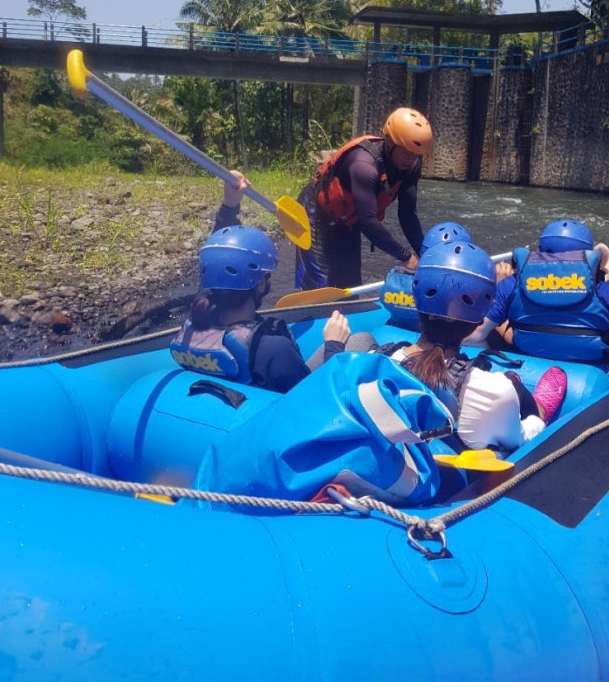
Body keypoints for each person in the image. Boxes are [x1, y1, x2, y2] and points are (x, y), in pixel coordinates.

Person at [350, 239, 570, 455]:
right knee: (523, 409)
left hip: (386, 477)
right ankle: (540, 407)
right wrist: (535, 419)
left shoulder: (369, 363)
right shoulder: (493, 391)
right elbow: (521, 439)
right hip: (452, 474)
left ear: (416, 302)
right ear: (478, 320)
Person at [171, 173, 350, 393]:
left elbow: (219, 257)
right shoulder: (273, 349)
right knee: (361, 340)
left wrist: (230, 205)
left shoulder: (195, 321)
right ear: (260, 285)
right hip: (282, 415)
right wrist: (334, 345)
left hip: (232, 408)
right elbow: (318, 402)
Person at [463, 218, 609, 383]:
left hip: (532, 364)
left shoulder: (511, 285)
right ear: (586, 256)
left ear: (541, 253)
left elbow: (474, 336)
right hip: (595, 371)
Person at [294, 107, 432, 291]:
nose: (412, 160)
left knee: (350, 286)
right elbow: (368, 222)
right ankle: (315, 313)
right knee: (320, 284)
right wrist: (407, 257)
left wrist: (426, 255)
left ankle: (345, 316)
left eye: (417, 155)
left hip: (348, 220)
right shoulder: (364, 166)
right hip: (317, 214)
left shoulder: (411, 166)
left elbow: (407, 214)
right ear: (390, 142)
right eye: (407, 153)